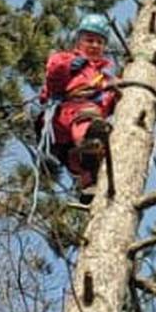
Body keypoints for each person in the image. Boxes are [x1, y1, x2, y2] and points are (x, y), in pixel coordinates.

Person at [37, 12, 118, 202]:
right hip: (66, 113)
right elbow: (53, 78)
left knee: (85, 157)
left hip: (81, 126)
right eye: (90, 40)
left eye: (99, 42)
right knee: (87, 119)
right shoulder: (65, 59)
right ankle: (89, 142)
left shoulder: (104, 77)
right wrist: (69, 65)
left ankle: (90, 185)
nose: (94, 45)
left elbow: (129, 89)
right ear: (79, 41)